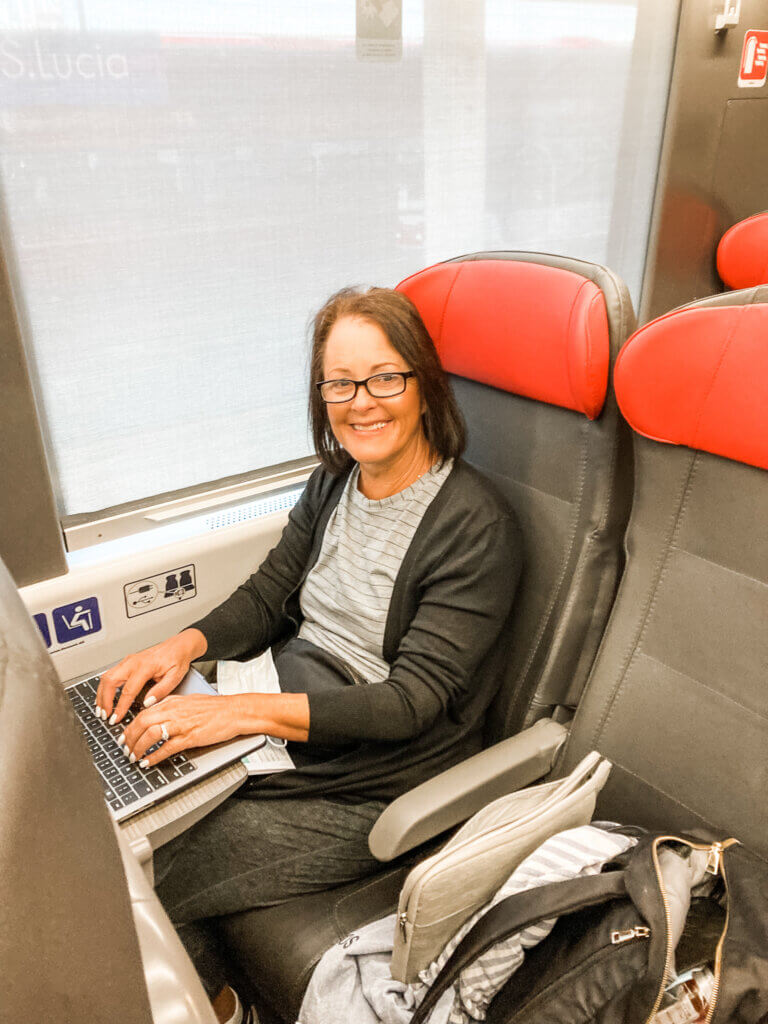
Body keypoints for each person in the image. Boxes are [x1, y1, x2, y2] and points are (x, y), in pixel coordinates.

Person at [95, 286, 521, 1024]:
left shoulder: (475, 527)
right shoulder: (334, 482)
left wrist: (234, 713)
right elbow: (268, 597)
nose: (363, 402)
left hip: (369, 779)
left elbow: (410, 703)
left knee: (128, 874)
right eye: (340, 383)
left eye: (386, 377)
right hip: (285, 713)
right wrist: (179, 647)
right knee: (113, 794)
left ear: (425, 385)